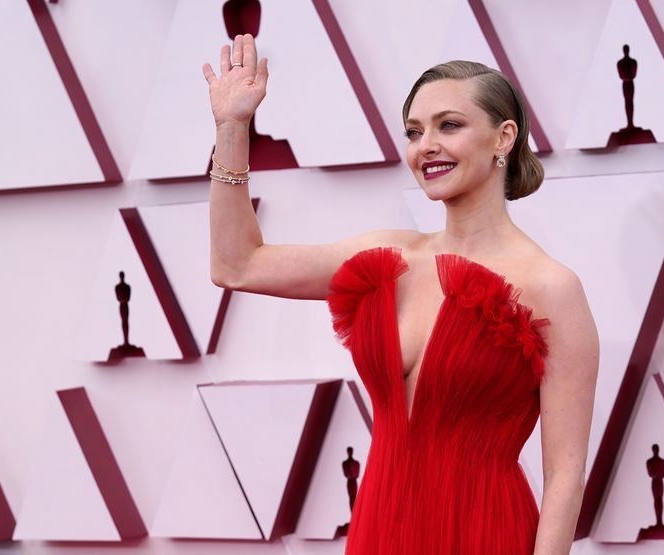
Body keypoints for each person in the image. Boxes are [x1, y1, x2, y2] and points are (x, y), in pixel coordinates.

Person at [203, 33, 599, 554]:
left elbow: (565, 476)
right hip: (379, 531)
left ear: (504, 137)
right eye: (414, 132)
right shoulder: (388, 261)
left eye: (449, 126)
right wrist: (233, 127)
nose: (425, 146)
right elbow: (238, 265)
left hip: (482, 533)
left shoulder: (552, 287)